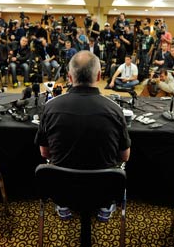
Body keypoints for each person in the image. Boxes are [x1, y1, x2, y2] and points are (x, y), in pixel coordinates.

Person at [35, 50, 130, 221]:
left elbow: (44, 153)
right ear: (99, 76)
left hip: (62, 190)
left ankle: (63, 204)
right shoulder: (115, 109)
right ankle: (105, 206)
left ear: (69, 77)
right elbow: (125, 156)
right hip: (104, 190)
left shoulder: (50, 107)